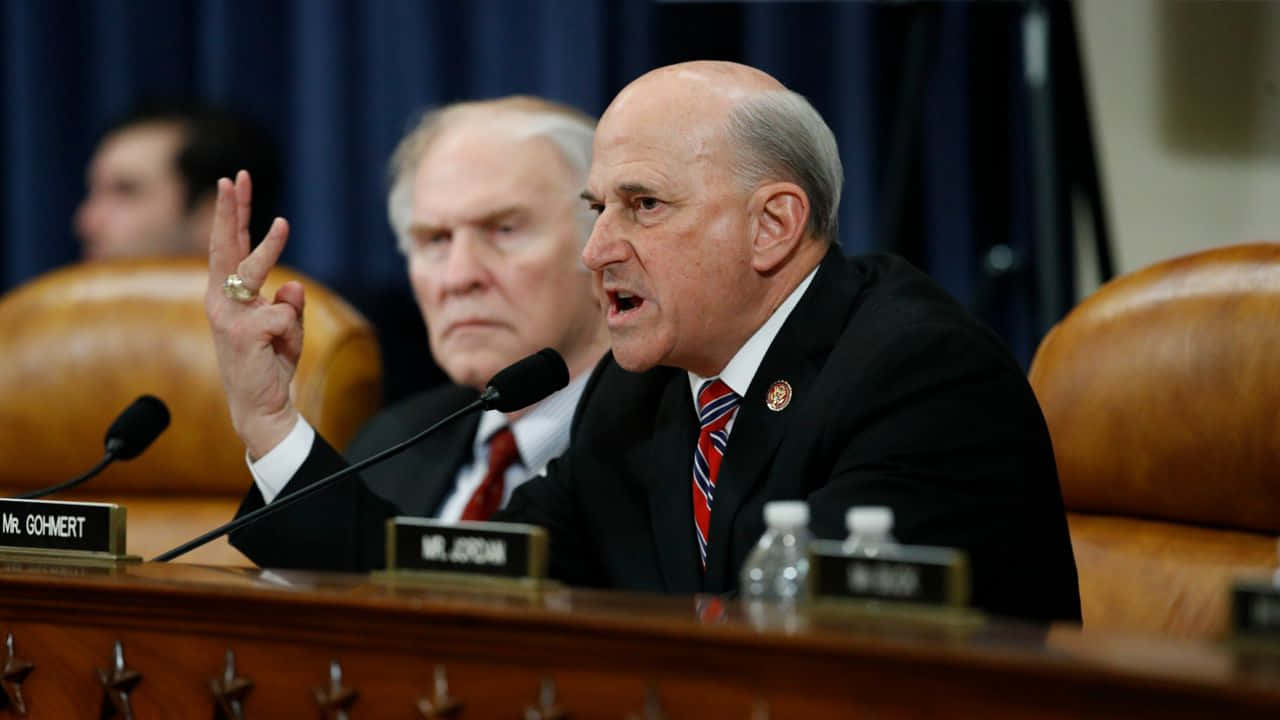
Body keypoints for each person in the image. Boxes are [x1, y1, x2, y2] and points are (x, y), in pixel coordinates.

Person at [211, 63, 1079, 623]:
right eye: (598, 210)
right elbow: (467, 583)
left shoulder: (914, 375)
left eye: (644, 206)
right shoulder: (647, 393)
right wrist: (268, 420)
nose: (599, 251)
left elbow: (787, 629)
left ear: (773, 223)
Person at [212, 97, 610, 570]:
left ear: (603, 247)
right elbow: (364, 607)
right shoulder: (395, 441)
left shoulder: (671, 448)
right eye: (435, 241)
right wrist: (267, 421)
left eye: (504, 229)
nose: (459, 277)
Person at [75, 103, 279, 261]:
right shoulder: (52, 311)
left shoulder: (295, 312)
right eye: (93, 191)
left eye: (126, 192)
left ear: (214, 216)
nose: (87, 224)